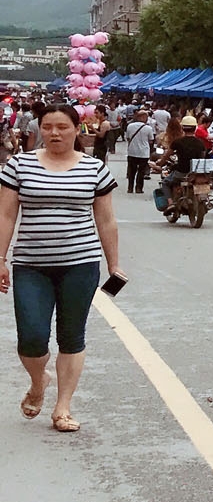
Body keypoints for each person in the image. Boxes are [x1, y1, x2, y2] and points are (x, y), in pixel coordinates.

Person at [0, 104, 119, 434]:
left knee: (72, 336)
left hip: (80, 264)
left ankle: (63, 406)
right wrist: (1, 258)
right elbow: (6, 215)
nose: (54, 133)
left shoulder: (94, 169)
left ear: (76, 129)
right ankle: (39, 382)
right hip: (30, 265)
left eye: (62, 127)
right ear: (39, 129)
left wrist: (114, 264)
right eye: (48, 126)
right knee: (32, 337)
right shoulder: (19, 165)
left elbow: (106, 220)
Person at [122, 108, 153, 193]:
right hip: (144, 153)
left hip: (132, 151)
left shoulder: (130, 126)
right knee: (141, 171)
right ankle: (139, 188)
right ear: (142, 117)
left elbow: (128, 138)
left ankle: (130, 188)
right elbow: (151, 140)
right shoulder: (148, 128)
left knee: (132, 171)